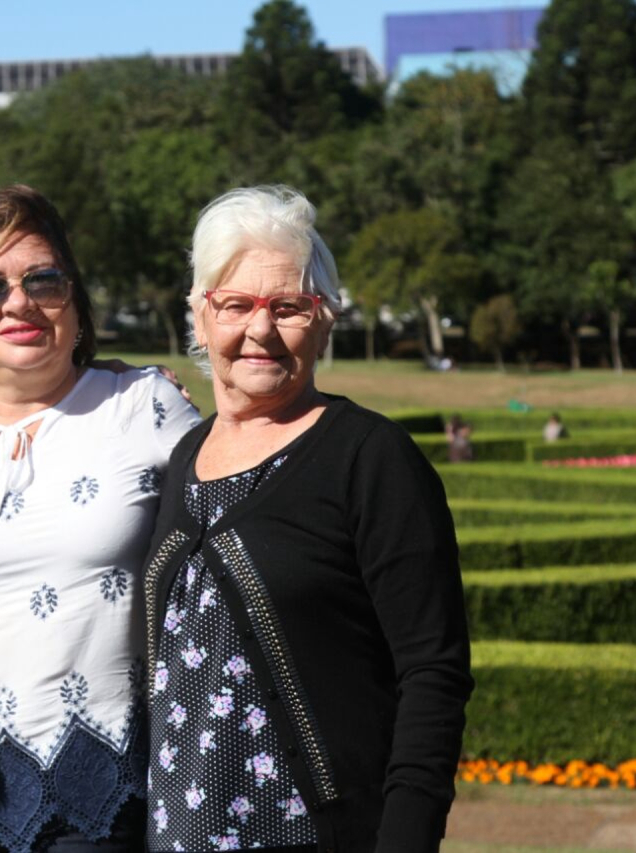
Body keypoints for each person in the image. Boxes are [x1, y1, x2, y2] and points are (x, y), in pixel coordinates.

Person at [142, 187, 473, 853]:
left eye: (287, 306)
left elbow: (432, 672)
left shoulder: (370, 457)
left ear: (323, 320)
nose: (259, 329)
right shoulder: (184, 457)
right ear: (200, 318)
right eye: (235, 304)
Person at [0, 185, 200, 853]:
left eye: (43, 280)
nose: (18, 302)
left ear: (75, 299)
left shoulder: (142, 404)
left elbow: (241, 518)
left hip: (108, 794)